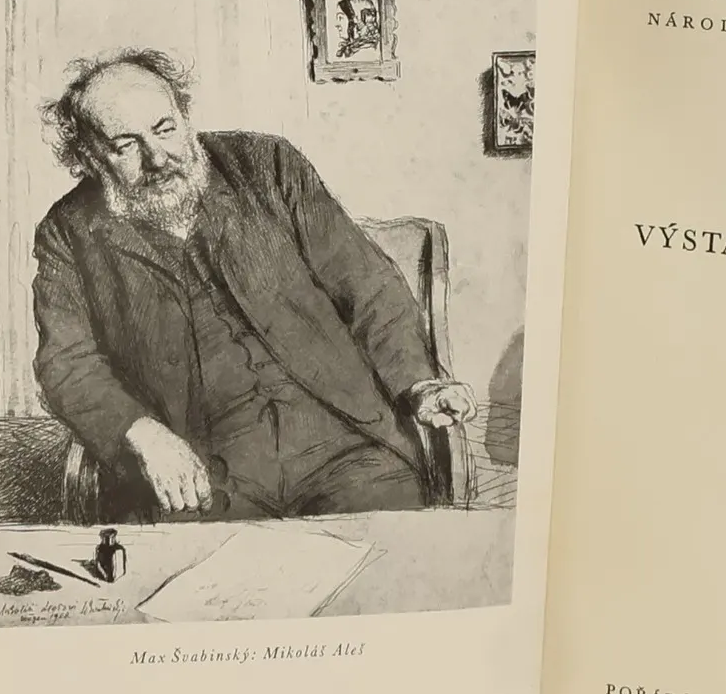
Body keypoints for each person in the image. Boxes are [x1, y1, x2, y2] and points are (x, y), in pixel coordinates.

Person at [32, 49, 474, 522]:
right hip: (199, 470)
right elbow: (66, 363)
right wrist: (141, 432)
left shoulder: (268, 165)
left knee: (389, 544)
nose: (158, 157)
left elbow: (368, 287)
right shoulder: (68, 230)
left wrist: (419, 384)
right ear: (90, 157)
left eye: (165, 129)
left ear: (185, 115)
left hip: (343, 443)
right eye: (125, 145)